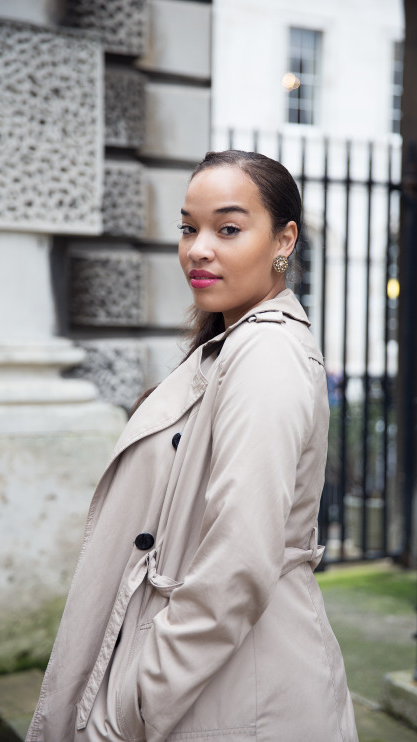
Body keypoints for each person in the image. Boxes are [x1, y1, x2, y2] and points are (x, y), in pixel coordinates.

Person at [27, 150, 358, 742]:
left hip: (235, 696)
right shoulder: (229, 344)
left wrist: (131, 707)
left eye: (228, 229)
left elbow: (238, 561)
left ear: (284, 240)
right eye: (188, 227)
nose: (198, 248)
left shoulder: (266, 355)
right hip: (216, 687)